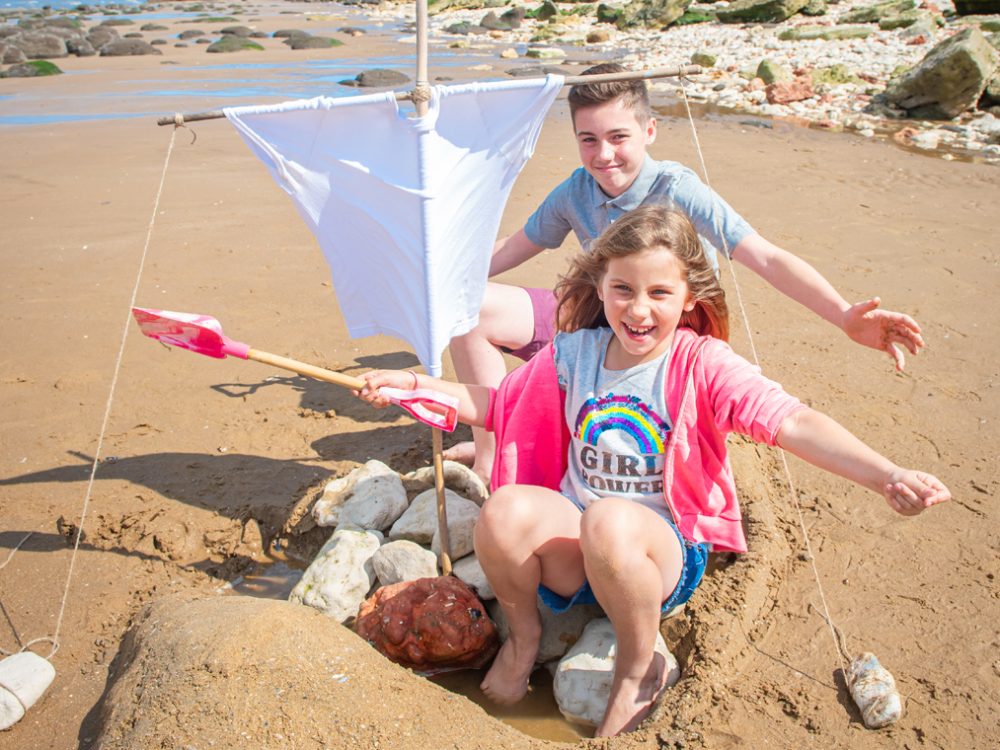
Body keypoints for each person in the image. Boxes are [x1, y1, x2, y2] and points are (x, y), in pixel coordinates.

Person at [357, 206, 950, 738]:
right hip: (577, 547)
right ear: (601, 286)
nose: (638, 310)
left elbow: (791, 422)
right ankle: (527, 635)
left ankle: (638, 669)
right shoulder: (575, 352)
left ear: (690, 296)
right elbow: (497, 404)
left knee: (613, 522)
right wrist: (414, 386)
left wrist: (884, 473)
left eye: (659, 293)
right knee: (504, 509)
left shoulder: (702, 363)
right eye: (622, 290)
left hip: (659, 555)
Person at [446, 62, 926, 484]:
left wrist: (844, 315)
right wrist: (440, 281)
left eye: (618, 137)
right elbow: (514, 247)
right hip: (600, 323)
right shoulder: (576, 190)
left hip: (669, 337)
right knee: (465, 309)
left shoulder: (678, 188)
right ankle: (491, 458)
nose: (603, 155)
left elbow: (766, 256)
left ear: (650, 130)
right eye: (588, 140)